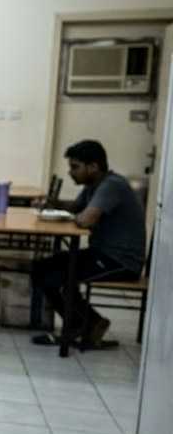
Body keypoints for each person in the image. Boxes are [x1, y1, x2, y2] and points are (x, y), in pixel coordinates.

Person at [31, 140, 146, 348]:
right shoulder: (94, 185)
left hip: (121, 262)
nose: (70, 172)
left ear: (93, 166)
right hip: (102, 254)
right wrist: (53, 203)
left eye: (75, 167)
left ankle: (79, 325)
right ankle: (89, 323)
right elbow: (76, 208)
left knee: (60, 274)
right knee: (41, 268)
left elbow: (85, 220)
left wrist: (73, 215)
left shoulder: (112, 185)